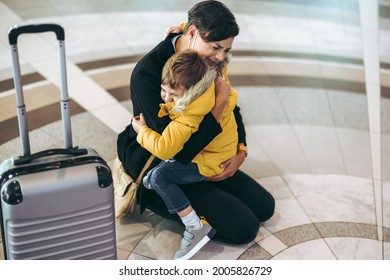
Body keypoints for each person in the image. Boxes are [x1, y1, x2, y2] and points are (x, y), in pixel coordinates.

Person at [116, 0, 275, 254]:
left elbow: (231, 108)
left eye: (227, 50)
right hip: (160, 165)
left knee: (265, 206)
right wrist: (218, 104)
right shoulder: (147, 74)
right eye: (216, 48)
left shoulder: (210, 61)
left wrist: (240, 150)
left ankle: (205, 188)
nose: (221, 57)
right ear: (192, 33)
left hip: (205, 153)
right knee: (244, 228)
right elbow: (178, 152)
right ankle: (176, 207)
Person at [132, 49, 236, 259]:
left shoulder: (189, 112)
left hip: (210, 160)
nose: (168, 99)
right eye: (164, 91)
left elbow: (165, 148)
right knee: (155, 175)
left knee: (160, 176)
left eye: (175, 95)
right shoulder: (206, 81)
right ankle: (155, 179)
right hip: (214, 150)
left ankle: (195, 227)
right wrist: (178, 30)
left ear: (190, 93)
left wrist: (142, 131)